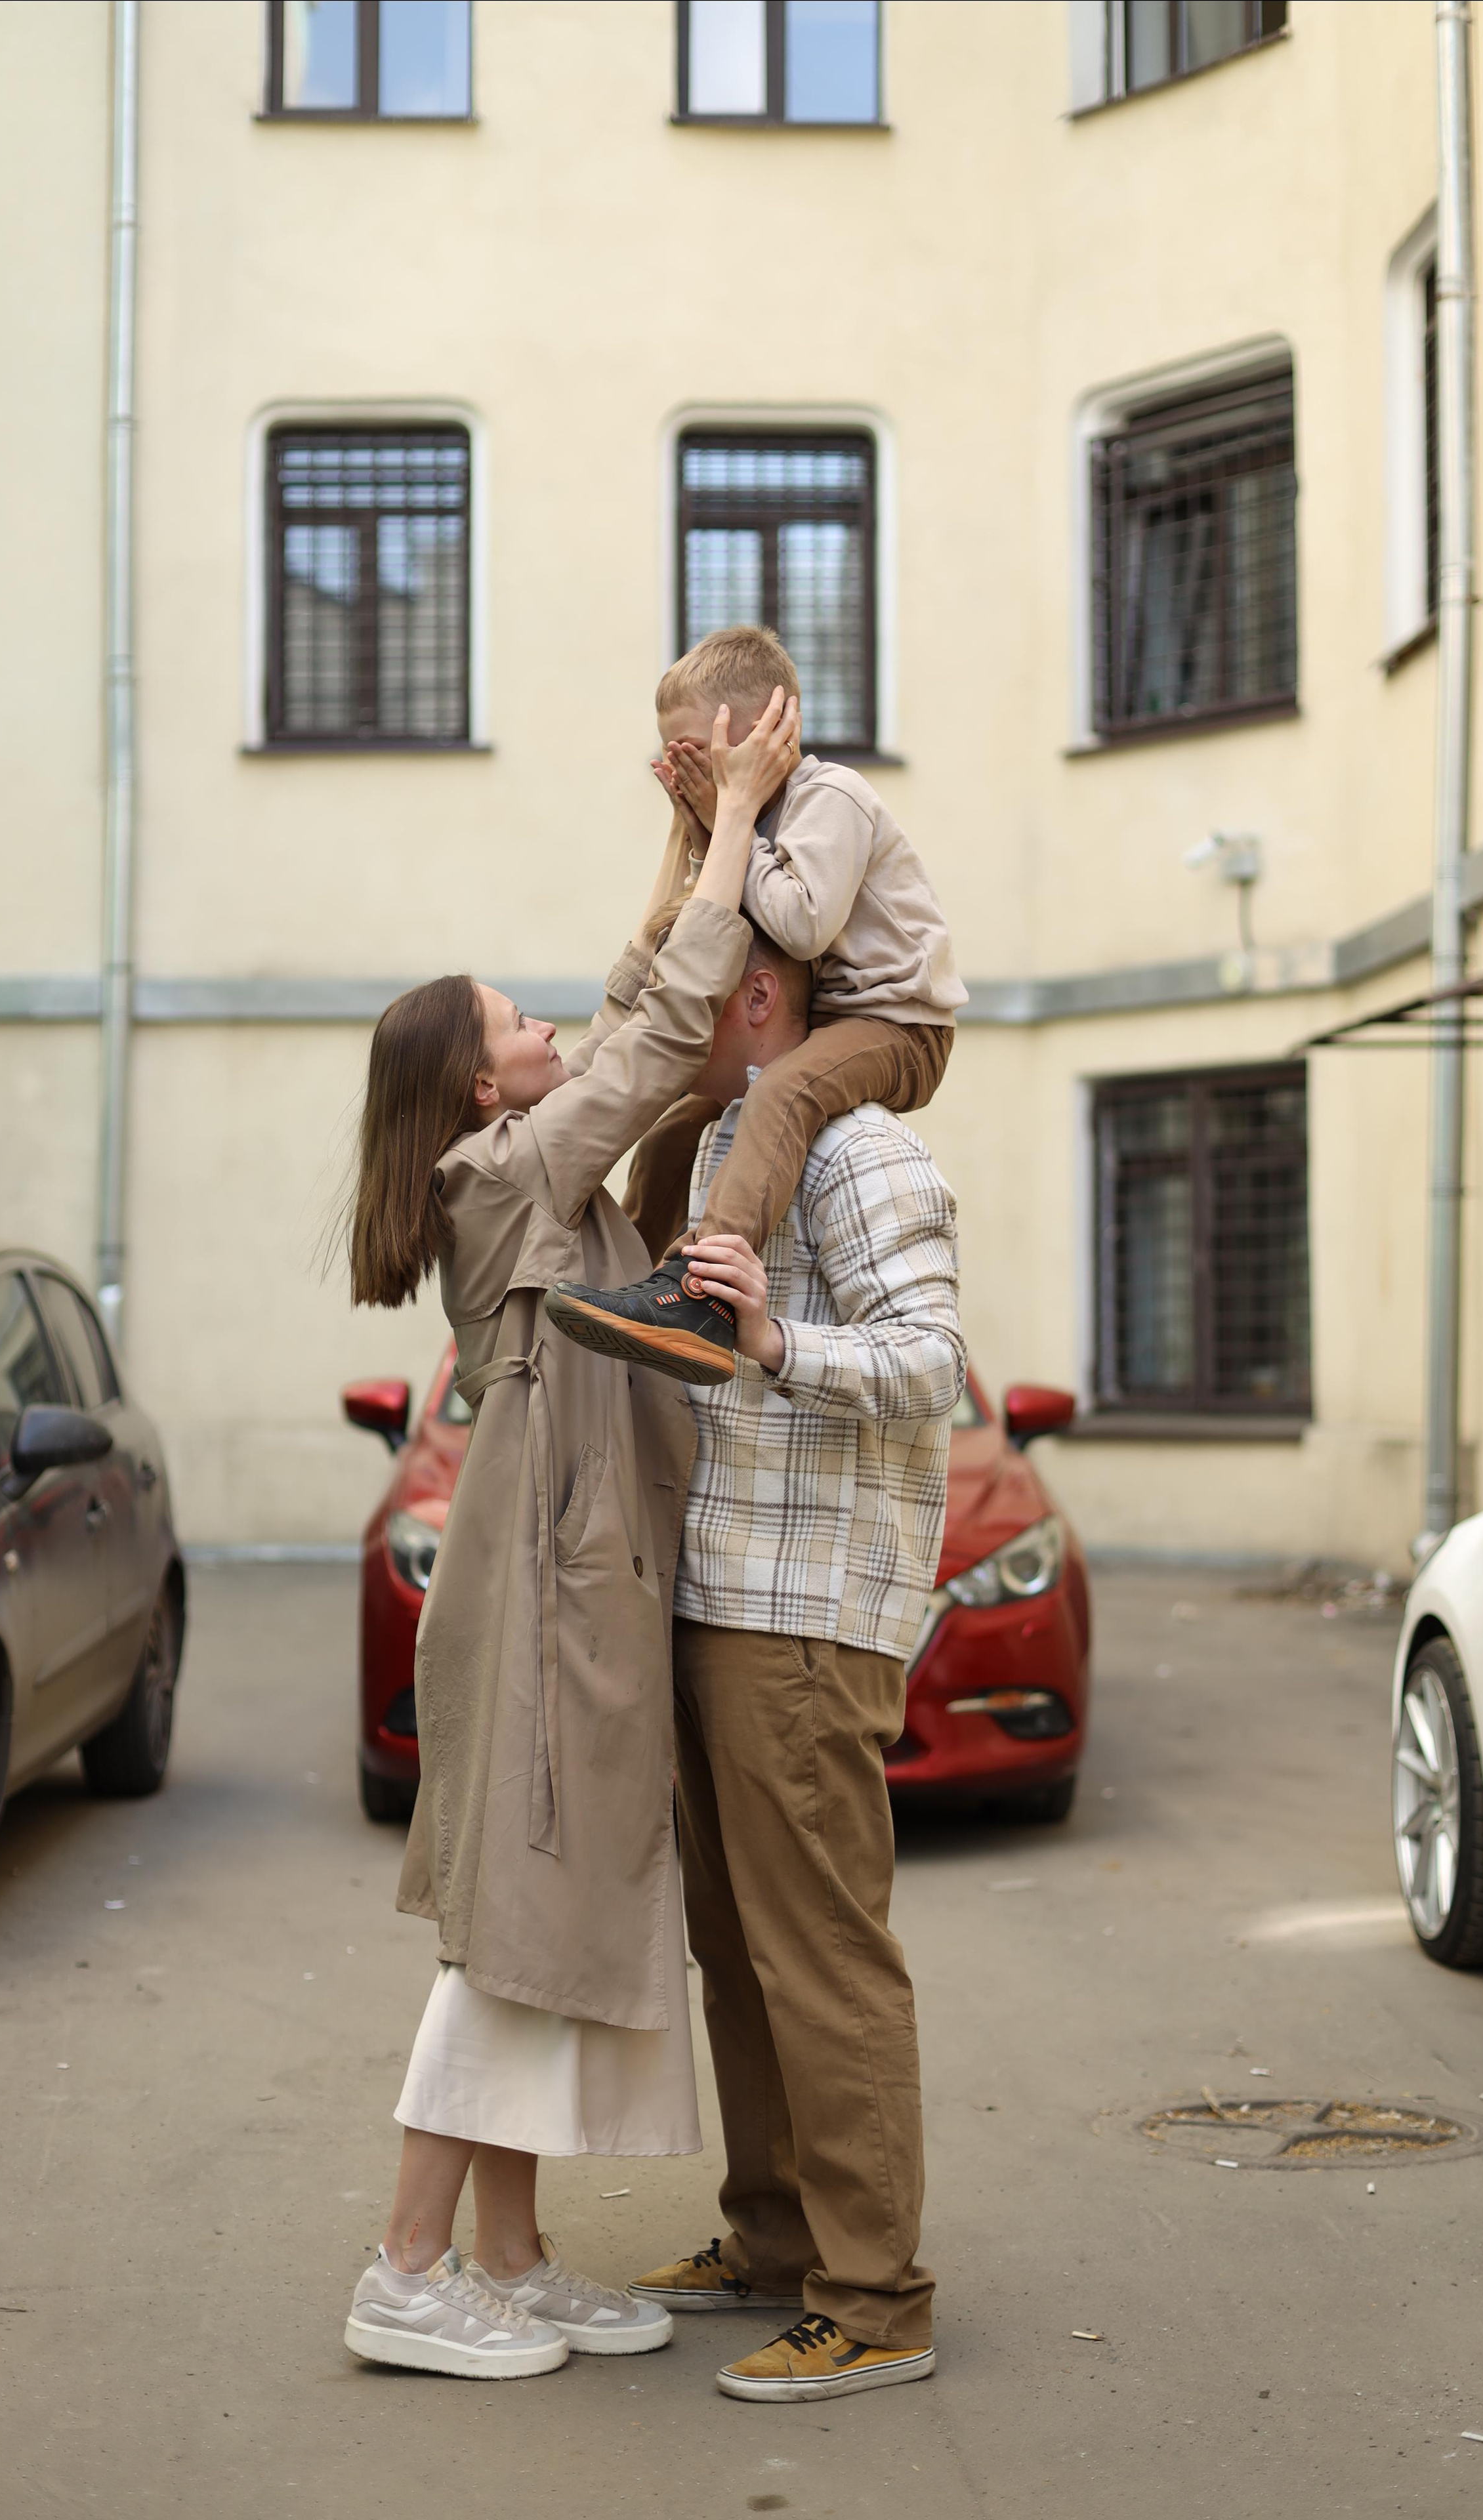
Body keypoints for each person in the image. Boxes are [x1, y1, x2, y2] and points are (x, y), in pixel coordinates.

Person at [339, 688, 801, 2382]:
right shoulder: (506, 1180)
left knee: (538, 1937)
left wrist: (687, 824)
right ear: (481, 1076)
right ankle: (406, 2269)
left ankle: (510, 2263)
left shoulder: (542, 1165)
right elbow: (668, 1026)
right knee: (506, 1944)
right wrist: (745, 812)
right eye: (517, 1018)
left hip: (570, 1601)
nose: (549, 1022)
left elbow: (627, 1001)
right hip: (537, 1616)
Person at [615, 922, 965, 2405]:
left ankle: (874, 2298)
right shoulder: (718, 1152)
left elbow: (931, 1361)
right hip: (721, 1591)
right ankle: (770, 2237)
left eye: (677, 996)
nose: (646, 1023)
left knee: (820, 1957)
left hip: (809, 1605)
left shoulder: (858, 1148)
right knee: (737, 1948)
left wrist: (772, 1339)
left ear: (757, 999)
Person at [543, 625, 965, 1385]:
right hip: (836, 1022)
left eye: (694, 752)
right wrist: (704, 822)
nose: (684, 770)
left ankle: (698, 1297)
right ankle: (631, 1296)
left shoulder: (831, 795)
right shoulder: (756, 823)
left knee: (781, 1093)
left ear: (761, 734)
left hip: (899, 1025)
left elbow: (801, 923)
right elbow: (701, 923)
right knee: (673, 1132)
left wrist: (730, 813)